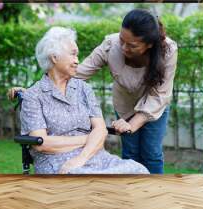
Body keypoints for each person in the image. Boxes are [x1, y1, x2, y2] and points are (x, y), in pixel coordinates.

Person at [10, 9, 178, 174]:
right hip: (125, 104)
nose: (124, 47)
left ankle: (154, 192)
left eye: (132, 45)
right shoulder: (111, 45)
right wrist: (34, 89)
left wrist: (130, 125)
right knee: (131, 153)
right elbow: (77, 71)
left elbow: (160, 94)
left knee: (152, 154)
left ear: (149, 45)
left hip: (154, 105)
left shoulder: (168, 50)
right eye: (122, 40)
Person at [20, 26, 149, 174]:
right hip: (56, 161)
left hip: (94, 157)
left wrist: (80, 158)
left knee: (139, 170)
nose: (77, 61)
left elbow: (100, 130)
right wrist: (89, 139)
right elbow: (42, 143)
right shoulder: (33, 96)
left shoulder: (84, 89)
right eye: (73, 55)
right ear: (54, 57)